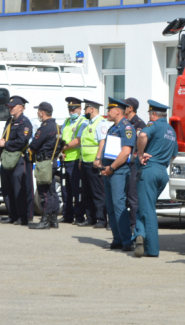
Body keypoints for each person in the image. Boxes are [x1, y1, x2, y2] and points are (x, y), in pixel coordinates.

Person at [133, 100, 178, 257]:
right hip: (162, 172)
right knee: (145, 206)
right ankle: (139, 234)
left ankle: (151, 249)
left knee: (148, 209)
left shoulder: (154, 125)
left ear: (153, 114)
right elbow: (173, 154)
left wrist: (140, 154)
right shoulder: (171, 130)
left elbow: (143, 134)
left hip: (149, 170)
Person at [98, 98, 135, 251]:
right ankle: (117, 238)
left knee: (119, 204)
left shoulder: (126, 127)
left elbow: (126, 152)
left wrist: (111, 168)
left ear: (118, 111)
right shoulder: (113, 127)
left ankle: (127, 240)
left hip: (117, 171)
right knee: (111, 206)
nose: (107, 113)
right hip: (109, 170)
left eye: (109, 110)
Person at [0, 95, 33, 226]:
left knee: (19, 189)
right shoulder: (9, 121)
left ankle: (23, 216)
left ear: (21, 108)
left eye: (13, 107)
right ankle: (12, 214)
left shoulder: (25, 123)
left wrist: (5, 144)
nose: (10, 109)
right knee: (7, 189)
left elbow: (22, 141)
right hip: (7, 159)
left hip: (18, 159)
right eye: (9, 107)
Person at [29, 102, 61, 230]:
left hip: (44, 163)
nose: (38, 114)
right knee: (52, 191)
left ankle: (45, 220)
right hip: (52, 161)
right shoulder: (57, 126)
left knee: (44, 192)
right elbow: (60, 144)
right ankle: (53, 219)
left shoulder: (45, 127)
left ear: (42, 112)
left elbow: (34, 144)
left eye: (38, 111)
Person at [79, 99, 108, 228]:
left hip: (94, 162)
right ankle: (90, 218)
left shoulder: (100, 123)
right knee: (87, 192)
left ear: (91, 109)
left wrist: (98, 158)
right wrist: (80, 159)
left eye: (86, 109)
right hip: (85, 161)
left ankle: (101, 219)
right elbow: (84, 143)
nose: (84, 111)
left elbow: (102, 141)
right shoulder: (87, 124)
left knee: (97, 192)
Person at [58, 97, 87, 224]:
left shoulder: (82, 121)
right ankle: (67, 215)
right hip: (65, 158)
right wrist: (60, 150)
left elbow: (78, 140)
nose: (71, 111)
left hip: (76, 159)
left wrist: (64, 147)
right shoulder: (67, 121)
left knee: (77, 190)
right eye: (69, 109)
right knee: (65, 189)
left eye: (74, 109)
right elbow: (61, 136)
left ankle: (79, 216)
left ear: (80, 109)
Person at [123, 97, 144, 232]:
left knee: (133, 195)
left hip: (134, 164)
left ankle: (134, 224)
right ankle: (125, 222)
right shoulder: (125, 123)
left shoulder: (139, 124)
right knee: (124, 195)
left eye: (124, 106)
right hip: (124, 162)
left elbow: (139, 144)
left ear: (131, 108)